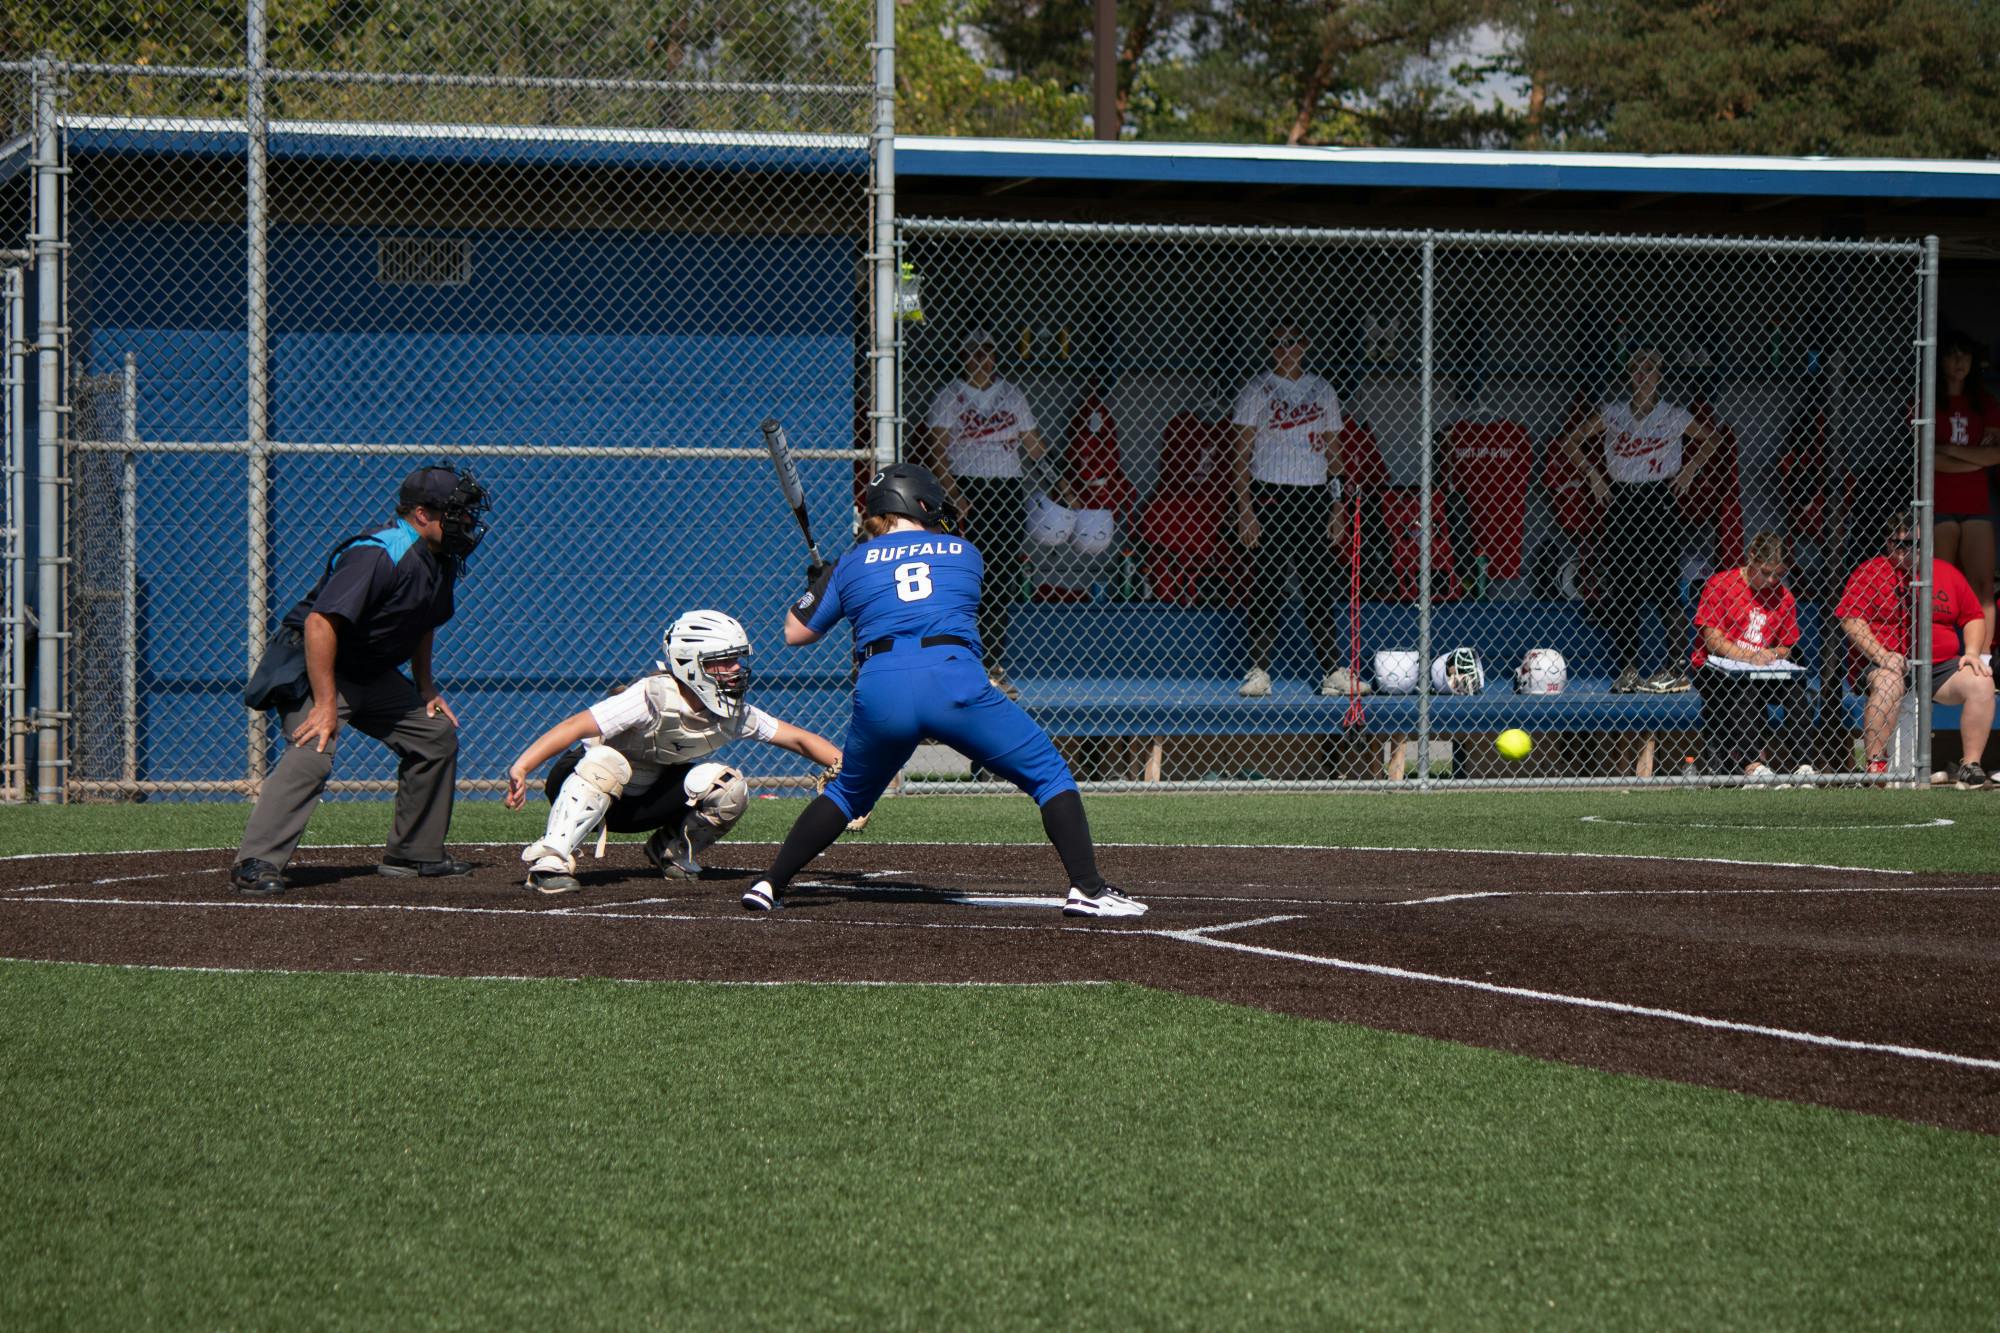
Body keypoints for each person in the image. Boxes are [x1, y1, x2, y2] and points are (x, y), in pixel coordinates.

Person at [739, 462, 1145, 919]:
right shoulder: (964, 551)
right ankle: (1088, 889)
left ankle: (769, 883)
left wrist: (819, 583)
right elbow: (916, 577)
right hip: (952, 678)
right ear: (918, 502)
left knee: (848, 794)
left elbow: (796, 632)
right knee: (1048, 775)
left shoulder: (849, 565)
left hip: (882, 687)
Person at [229, 464, 492, 896]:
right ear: (422, 514)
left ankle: (414, 853)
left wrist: (425, 688)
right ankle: (256, 861)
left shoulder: (440, 559)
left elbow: (423, 623)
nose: (466, 522)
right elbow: (320, 624)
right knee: (314, 744)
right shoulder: (379, 552)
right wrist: (327, 704)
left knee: (434, 734)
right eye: (457, 512)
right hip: (314, 663)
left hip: (368, 670)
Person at [502, 610, 843, 895]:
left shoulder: (733, 713)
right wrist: (523, 766)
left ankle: (672, 850)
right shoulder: (651, 696)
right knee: (608, 761)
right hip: (583, 782)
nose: (737, 668)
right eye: (724, 662)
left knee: (728, 786)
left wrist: (854, 776)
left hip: (643, 803)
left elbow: (798, 739)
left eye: (737, 660)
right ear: (690, 664)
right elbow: (576, 726)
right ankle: (550, 861)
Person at [1555, 348, 1724, 694]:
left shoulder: (1672, 415)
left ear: (1660, 374)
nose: (1643, 375)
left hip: (1659, 499)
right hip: (1621, 499)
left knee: (1664, 585)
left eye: (1650, 368)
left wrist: (1690, 469)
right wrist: (1592, 475)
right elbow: (1570, 441)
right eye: (1636, 368)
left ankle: (1677, 668)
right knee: (1624, 588)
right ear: (1629, 374)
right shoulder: (1613, 414)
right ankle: (1629, 667)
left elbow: (1712, 439)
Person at [1231, 323, 1366, 698]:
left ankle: (1332, 672)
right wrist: (1245, 508)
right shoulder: (1257, 388)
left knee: (1318, 582)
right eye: (1275, 342)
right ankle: (1258, 670)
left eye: (1292, 341)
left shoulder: (1322, 389)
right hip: (1270, 492)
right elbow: (1240, 454)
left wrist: (1337, 504)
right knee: (1268, 582)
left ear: (1304, 344)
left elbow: (1335, 452)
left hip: (1313, 495)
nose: (1284, 348)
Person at [919, 330, 1047, 700]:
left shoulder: (1012, 394)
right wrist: (954, 494)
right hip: (966, 489)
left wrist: (1060, 481)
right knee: (960, 576)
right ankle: (956, 658)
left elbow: (1034, 446)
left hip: (1005, 488)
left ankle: (992, 664)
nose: (981, 359)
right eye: (974, 352)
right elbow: (937, 450)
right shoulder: (950, 396)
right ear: (964, 355)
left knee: (1001, 575)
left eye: (988, 352)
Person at [1836, 513, 1994, 787]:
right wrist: (1881, 655)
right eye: (1901, 544)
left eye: (1917, 544)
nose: (1909, 551)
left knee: (1981, 682)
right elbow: (1851, 619)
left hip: (1940, 666)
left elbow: (1973, 616)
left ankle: (1970, 764)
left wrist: (1971, 652)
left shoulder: (1945, 572)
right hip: (1886, 663)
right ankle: (1876, 765)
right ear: (1888, 545)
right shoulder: (1871, 572)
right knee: (1888, 683)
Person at [1688, 532, 1811, 784]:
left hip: (1764, 669)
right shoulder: (1721, 585)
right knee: (1746, 688)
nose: (1772, 580)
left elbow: (1787, 645)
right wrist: (1748, 656)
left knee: (1797, 690)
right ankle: (1754, 765)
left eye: (1778, 574)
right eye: (1766, 573)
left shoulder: (1784, 596)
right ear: (1751, 559)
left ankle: (1804, 764)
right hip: (1717, 668)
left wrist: (1773, 654)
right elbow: (1712, 640)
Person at [1928, 330, 2000, 651]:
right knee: (1941, 587)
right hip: (1939, 501)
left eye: (1966, 356)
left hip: (1975, 504)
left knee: (1982, 584)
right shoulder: (1927, 397)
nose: (1960, 363)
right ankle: (1940, 656)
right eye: (1953, 355)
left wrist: (1947, 451)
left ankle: (1982, 660)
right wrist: (1976, 458)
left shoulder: (1983, 401)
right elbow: (1927, 460)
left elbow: (1996, 453)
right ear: (1940, 358)